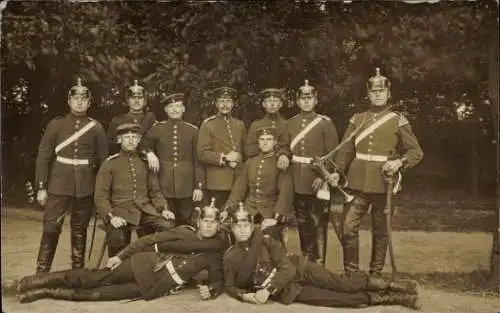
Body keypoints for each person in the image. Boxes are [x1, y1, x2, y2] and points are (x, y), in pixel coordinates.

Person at [17, 203, 228, 303]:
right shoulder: (183, 232)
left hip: (153, 286)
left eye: (213, 222)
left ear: (219, 225)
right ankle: (32, 283)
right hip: (142, 265)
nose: (209, 226)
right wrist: (120, 256)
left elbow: (218, 279)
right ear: (198, 222)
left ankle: (45, 293)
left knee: (97, 295)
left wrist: (213, 290)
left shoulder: (215, 252)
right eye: (206, 221)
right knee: (93, 279)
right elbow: (147, 240)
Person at [222, 205, 420, 310]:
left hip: (300, 269)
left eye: (246, 226)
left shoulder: (265, 240)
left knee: (344, 285)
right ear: (232, 228)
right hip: (289, 290)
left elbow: (287, 268)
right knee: (339, 300)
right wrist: (244, 295)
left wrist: (268, 290)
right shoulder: (230, 256)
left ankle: (394, 288)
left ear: (252, 226)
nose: (242, 230)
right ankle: (387, 300)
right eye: (237, 226)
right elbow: (230, 286)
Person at [333, 68, 424, 275]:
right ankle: (351, 275)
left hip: (384, 182)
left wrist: (399, 162)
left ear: (388, 94)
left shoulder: (397, 119)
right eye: (373, 91)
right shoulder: (357, 119)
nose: (377, 94)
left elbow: (416, 152)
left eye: (381, 91)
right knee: (347, 227)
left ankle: (375, 275)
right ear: (368, 94)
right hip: (356, 183)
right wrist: (338, 172)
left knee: (381, 231)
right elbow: (346, 150)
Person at [34, 78, 108, 273]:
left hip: (85, 185)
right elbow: (43, 156)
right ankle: (42, 272)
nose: (80, 102)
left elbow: (103, 162)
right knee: (51, 227)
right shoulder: (56, 124)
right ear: (69, 101)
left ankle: (77, 272)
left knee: (79, 229)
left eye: (84, 99)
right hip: (58, 183)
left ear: (89, 102)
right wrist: (41, 186)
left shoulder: (96, 127)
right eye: (76, 98)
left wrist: (101, 191)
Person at [94, 123, 175, 258]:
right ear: (119, 140)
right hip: (119, 211)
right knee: (118, 238)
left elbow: (154, 191)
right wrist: (111, 217)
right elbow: (100, 196)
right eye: (127, 137)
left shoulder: (145, 161)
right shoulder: (110, 163)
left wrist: (163, 209)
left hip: (144, 210)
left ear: (139, 140)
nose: (131, 140)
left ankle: (152, 262)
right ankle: (116, 270)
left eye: (134, 137)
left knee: (168, 225)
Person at [284, 79, 339, 264]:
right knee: (302, 221)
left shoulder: (325, 123)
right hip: (297, 179)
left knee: (318, 222)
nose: (306, 101)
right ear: (297, 101)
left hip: (318, 178)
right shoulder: (290, 123)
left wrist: (323, 177)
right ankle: (307, 260)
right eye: (302, 98)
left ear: (316, 100)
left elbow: (333, 153)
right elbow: (284, 147)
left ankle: (319, 264)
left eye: (310, 98)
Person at [143, 93, 204, 226]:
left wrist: (198, 186)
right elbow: (142, 145)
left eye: (178, 106)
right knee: (167, 223)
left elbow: (197, 161)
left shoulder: (193, 130)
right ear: (166, 110)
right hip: (164, 183)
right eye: (171, 106)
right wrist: (149, 153)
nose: (175, 109)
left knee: (187, 223)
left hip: (187, 185)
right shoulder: (156, 129)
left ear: (183, 109)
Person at [223, 127, 293, 242]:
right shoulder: (250, 163)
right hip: (249, 208)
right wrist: (228, 209)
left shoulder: (280, 162)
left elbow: (286, 193)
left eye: (269, 139)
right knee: (228, 227)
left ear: (275, 142)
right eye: (262, 139)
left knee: (270, 235)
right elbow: (238, 190)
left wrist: (277, 217)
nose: (265, 142)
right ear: (258, 142)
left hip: (270, 209)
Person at [197, 86, 246, 209]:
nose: (225, 105)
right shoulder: (208, 124)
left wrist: (238, 156)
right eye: (221, 101)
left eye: (228, 101)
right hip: (217, 181)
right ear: (216, 103)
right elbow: (202, 153)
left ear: (233, 103)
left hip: (238, 179)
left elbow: (244, 149)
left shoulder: (239, 124)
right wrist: (225, 158)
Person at [106, 79, 160, 172]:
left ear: (145, 100)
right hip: (123, 168)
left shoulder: (152, 121)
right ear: (127, 100)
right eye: (133, 98)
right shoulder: (117, 121)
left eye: (140, 97)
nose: (136, 100)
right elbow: (110, 147)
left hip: (148, 168)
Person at [244, 88, 290, 170]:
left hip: (281, 167)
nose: (272, 104)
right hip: (260, 167)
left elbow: (289, 147)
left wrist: (283, 154)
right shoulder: (256, 125)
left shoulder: (287, 124)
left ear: (281, 104)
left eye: (275, 101)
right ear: (263, 104)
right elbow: (249, 150)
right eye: (269, 101)